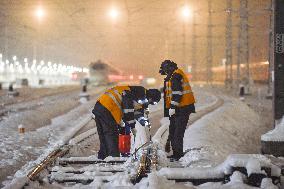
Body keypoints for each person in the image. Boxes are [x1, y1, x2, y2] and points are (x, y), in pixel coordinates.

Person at [92, 85, 161, 159]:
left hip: (100, 105)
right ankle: (114, 158)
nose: (149, 103)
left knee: (103, 134)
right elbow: (128, 109)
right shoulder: (138, 93)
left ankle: (103, 156)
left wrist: (144, 122)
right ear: (150, 97)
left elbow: (137, 113)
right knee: (111, 134)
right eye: (151, 102)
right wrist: (132, 126)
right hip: (108, 107)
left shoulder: (140, 95)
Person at [159, 60, 196, 160]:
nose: (165, 73)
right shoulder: (175, 74)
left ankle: (178, 155)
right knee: (174, 130)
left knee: (177, 132)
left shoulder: (175, 76)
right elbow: (172, 89)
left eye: (165, 71)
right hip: (180, 107)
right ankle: (176, 153)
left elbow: (177, 93)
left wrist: (172, 107)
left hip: (182, 108)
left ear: (168, 68)